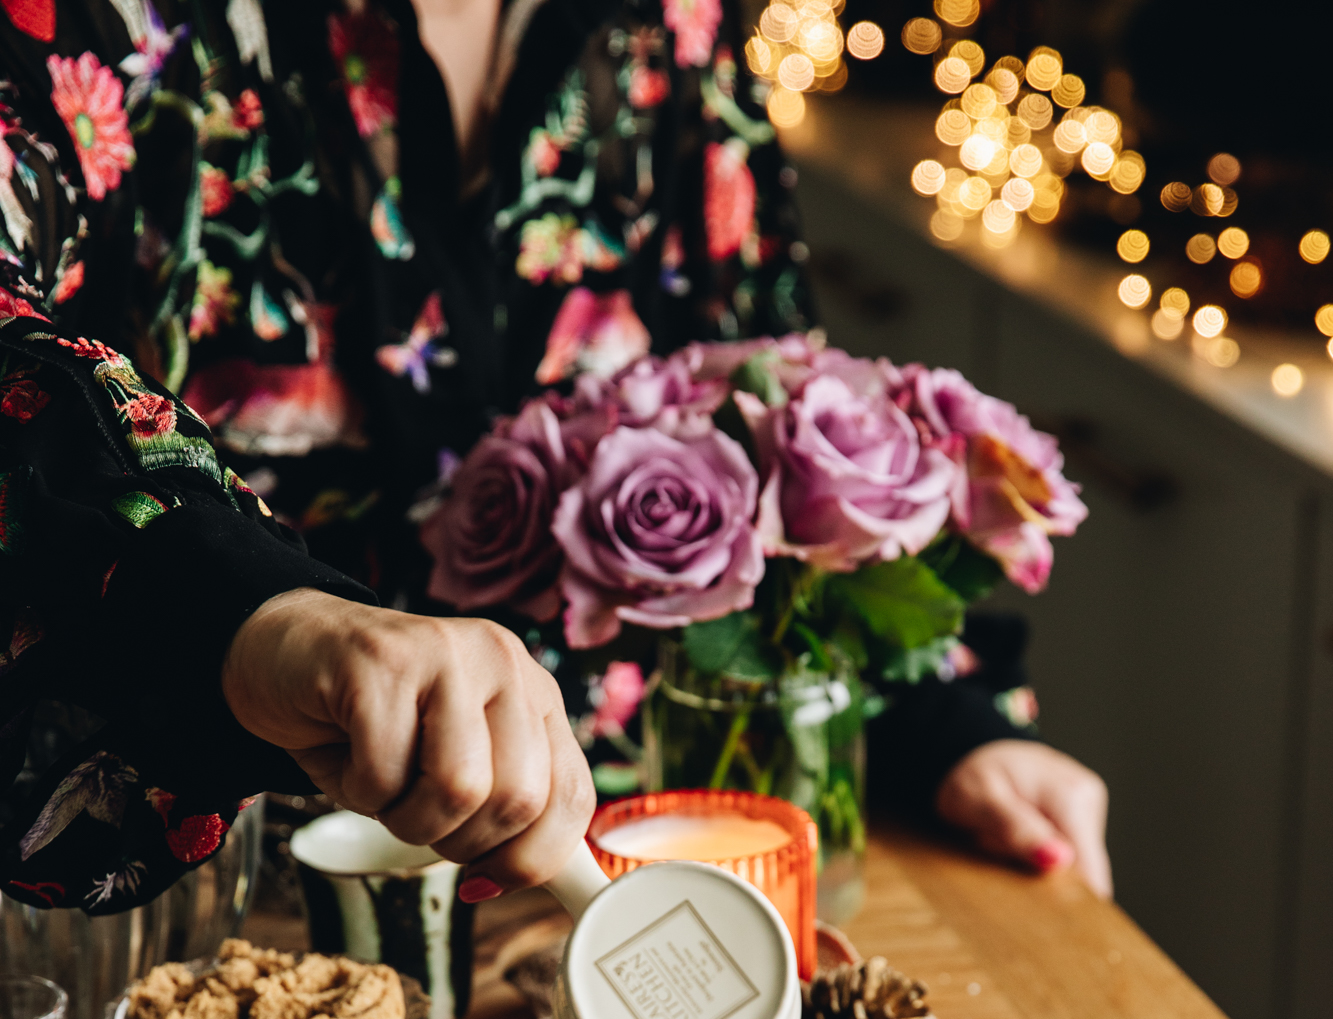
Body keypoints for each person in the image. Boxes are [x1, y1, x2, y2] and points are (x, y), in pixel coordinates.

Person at [0, 0, 1110, 918]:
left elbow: (765, 390)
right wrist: (259, 614)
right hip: (223, 951)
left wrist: (934, 724)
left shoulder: (674, 22)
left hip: (630, 880)